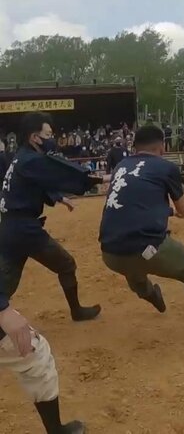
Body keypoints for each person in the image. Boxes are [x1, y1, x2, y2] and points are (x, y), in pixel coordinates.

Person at [0, 112, 105, 434]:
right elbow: (57, 169)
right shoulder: (31, 159)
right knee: (66, 264)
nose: (52, 138)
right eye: (48, 134)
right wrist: (91, 179)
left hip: (11, 228)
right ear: (35, 137)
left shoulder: (20, 159)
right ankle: (76, 310)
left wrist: (59, 198)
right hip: (25, 230)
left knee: (6, 284)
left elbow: (39, 184)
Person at [98, 125, 184, 340]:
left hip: (110, 253)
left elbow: (133, 203)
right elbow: (183, 209)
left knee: (134, 272)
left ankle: (152, 296)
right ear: (162, 146)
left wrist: (169, 211)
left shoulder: (122, 166)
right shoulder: (165, 167)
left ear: (135, 147)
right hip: (147, 247)